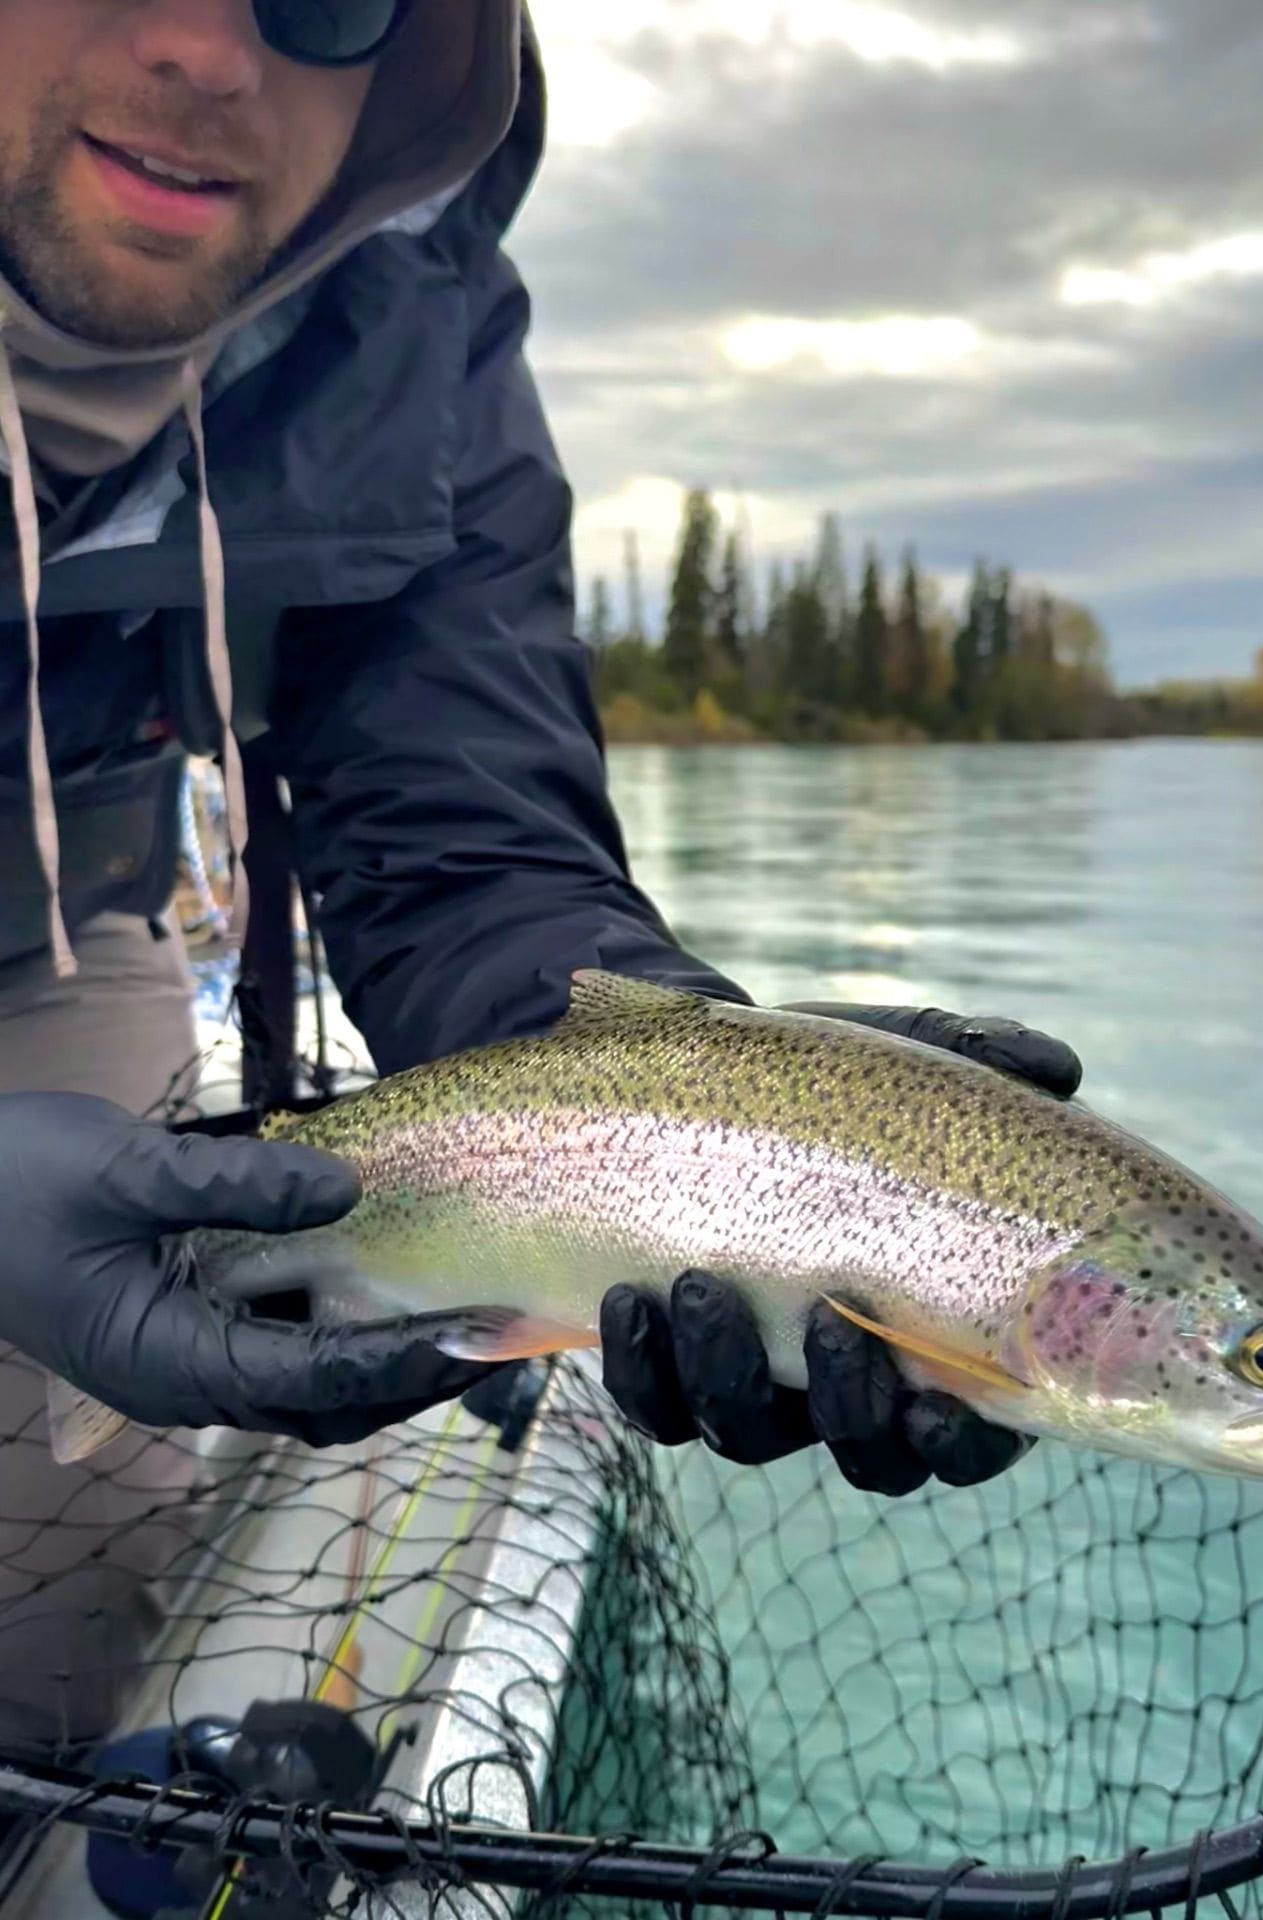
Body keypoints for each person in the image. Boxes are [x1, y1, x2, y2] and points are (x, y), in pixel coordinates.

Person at [0, 0, 1082, 1748]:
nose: (207, 49)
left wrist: (668, 1071)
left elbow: (466, 832)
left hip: (51, 929)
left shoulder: (409, 314)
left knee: (46, 1618)